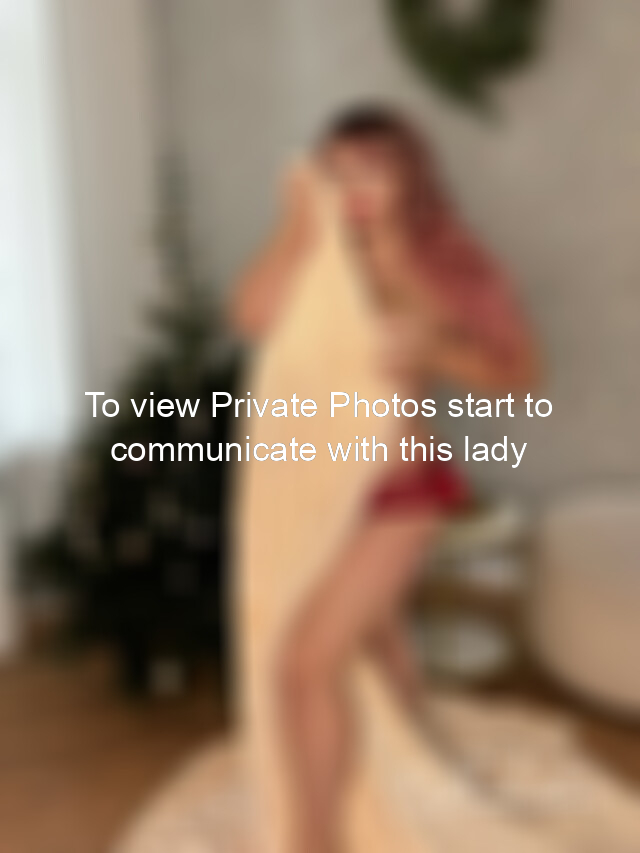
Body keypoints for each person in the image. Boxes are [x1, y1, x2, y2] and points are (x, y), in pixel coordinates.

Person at [230, 105, 538, 853]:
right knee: (372, 646)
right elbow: (251, 316)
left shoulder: (443, 261)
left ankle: (315, 839)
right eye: (336, 171)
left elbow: (518, 374)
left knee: (304, 664)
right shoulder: (322, 251)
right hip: (311, 490)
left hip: (399, 491)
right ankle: (405, 783)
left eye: (374, 169)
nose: (355, 188)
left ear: (411, 175)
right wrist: (296, 230)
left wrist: (434, 348)